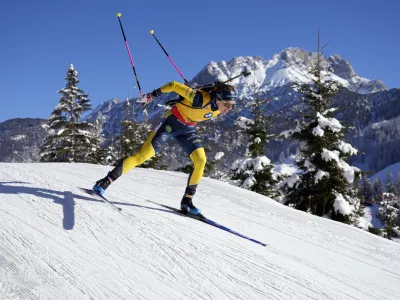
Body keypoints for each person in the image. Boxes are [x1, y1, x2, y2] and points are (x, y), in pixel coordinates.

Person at [93, 80, 237, 215]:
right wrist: (151, 96)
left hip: (188, 129)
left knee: (201, 160)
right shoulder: (198, 98)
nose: (229, 109)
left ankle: (187, 201)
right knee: (144, 155)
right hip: (171, 123)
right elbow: (174, 85)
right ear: (218, 99)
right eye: (227, 105)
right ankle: (105, 181)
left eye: (232, 105)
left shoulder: (219, 106)